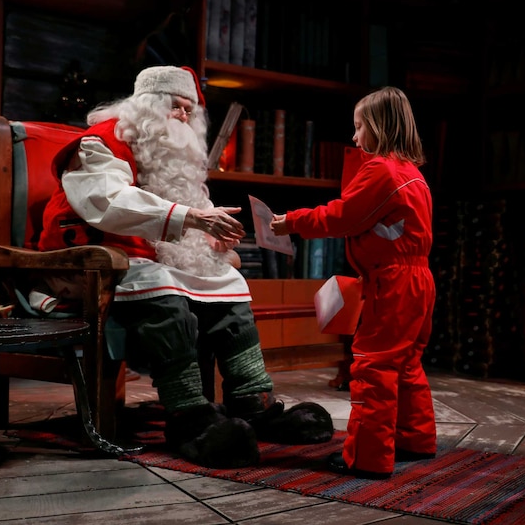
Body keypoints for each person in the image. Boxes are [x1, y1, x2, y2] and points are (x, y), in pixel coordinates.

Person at [37, 65, 333, 468]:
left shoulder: (171, 155)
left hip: (142, 260)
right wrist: (192, 218)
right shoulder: (100, 143)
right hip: (86, 261)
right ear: (146, 106)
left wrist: (210, 234)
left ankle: (254, 404)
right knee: (162, 287)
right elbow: (108, 203)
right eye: (175, 107)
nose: (183, 118)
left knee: (227, 277)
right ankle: (189, 415)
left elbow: (186, 208)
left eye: (189, 111)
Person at [270, 86, 437, 479]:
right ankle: (415, 439)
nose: (355, 136)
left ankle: (366, 458)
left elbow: (343, 215)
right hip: (419, 279)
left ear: (378, 127)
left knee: (373, 366)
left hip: (392, 281)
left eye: (359, 127)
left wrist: (291, 222)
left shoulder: (382, 169)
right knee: (407, 361)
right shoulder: (414, 174)